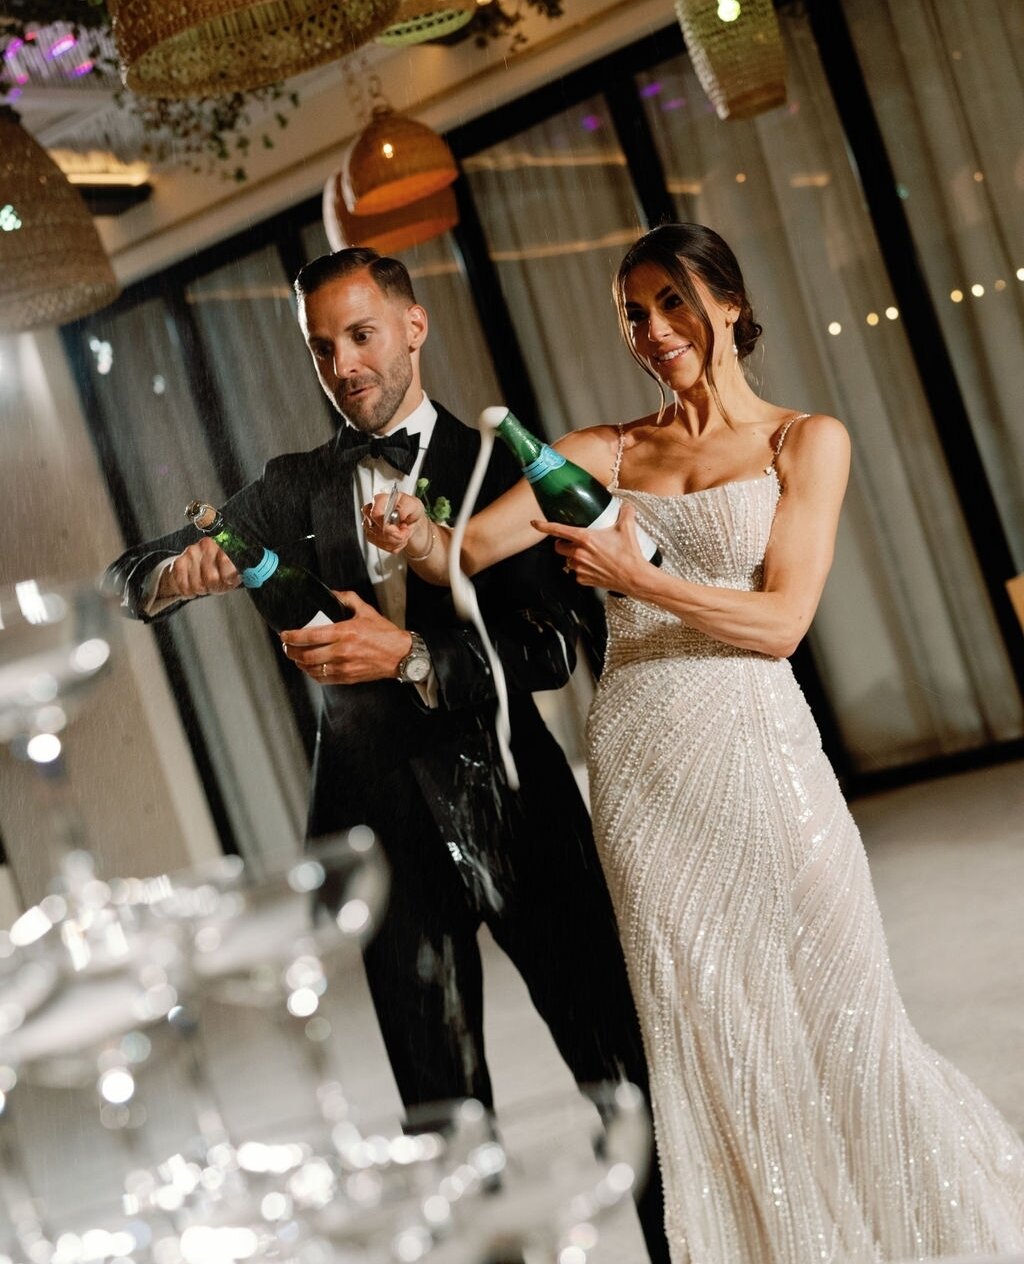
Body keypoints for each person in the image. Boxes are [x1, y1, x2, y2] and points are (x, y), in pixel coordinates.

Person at [365, 223, 1024, 1262]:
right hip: (645, 767)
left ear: (725, 299)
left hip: (762, 748)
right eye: (634, 312)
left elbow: (780, 623)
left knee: (848, 1007)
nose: (654, 329)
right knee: (713, 1034)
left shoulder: (805, 440)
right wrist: (409, 529)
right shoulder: (599, 452)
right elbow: (462, 553)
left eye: (672, 301)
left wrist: (642, 580)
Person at [104, 247, 671, 1264]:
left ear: (413, 326)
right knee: (445, 1133)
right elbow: (128, 572)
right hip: (383, 842)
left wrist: (411, 655)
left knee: (626, 1081)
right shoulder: (294, 489)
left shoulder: (506, 464)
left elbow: (553, 646)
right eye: (321, 346)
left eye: (361, 334)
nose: (344, 362)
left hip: (524, 815)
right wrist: (174, 577)